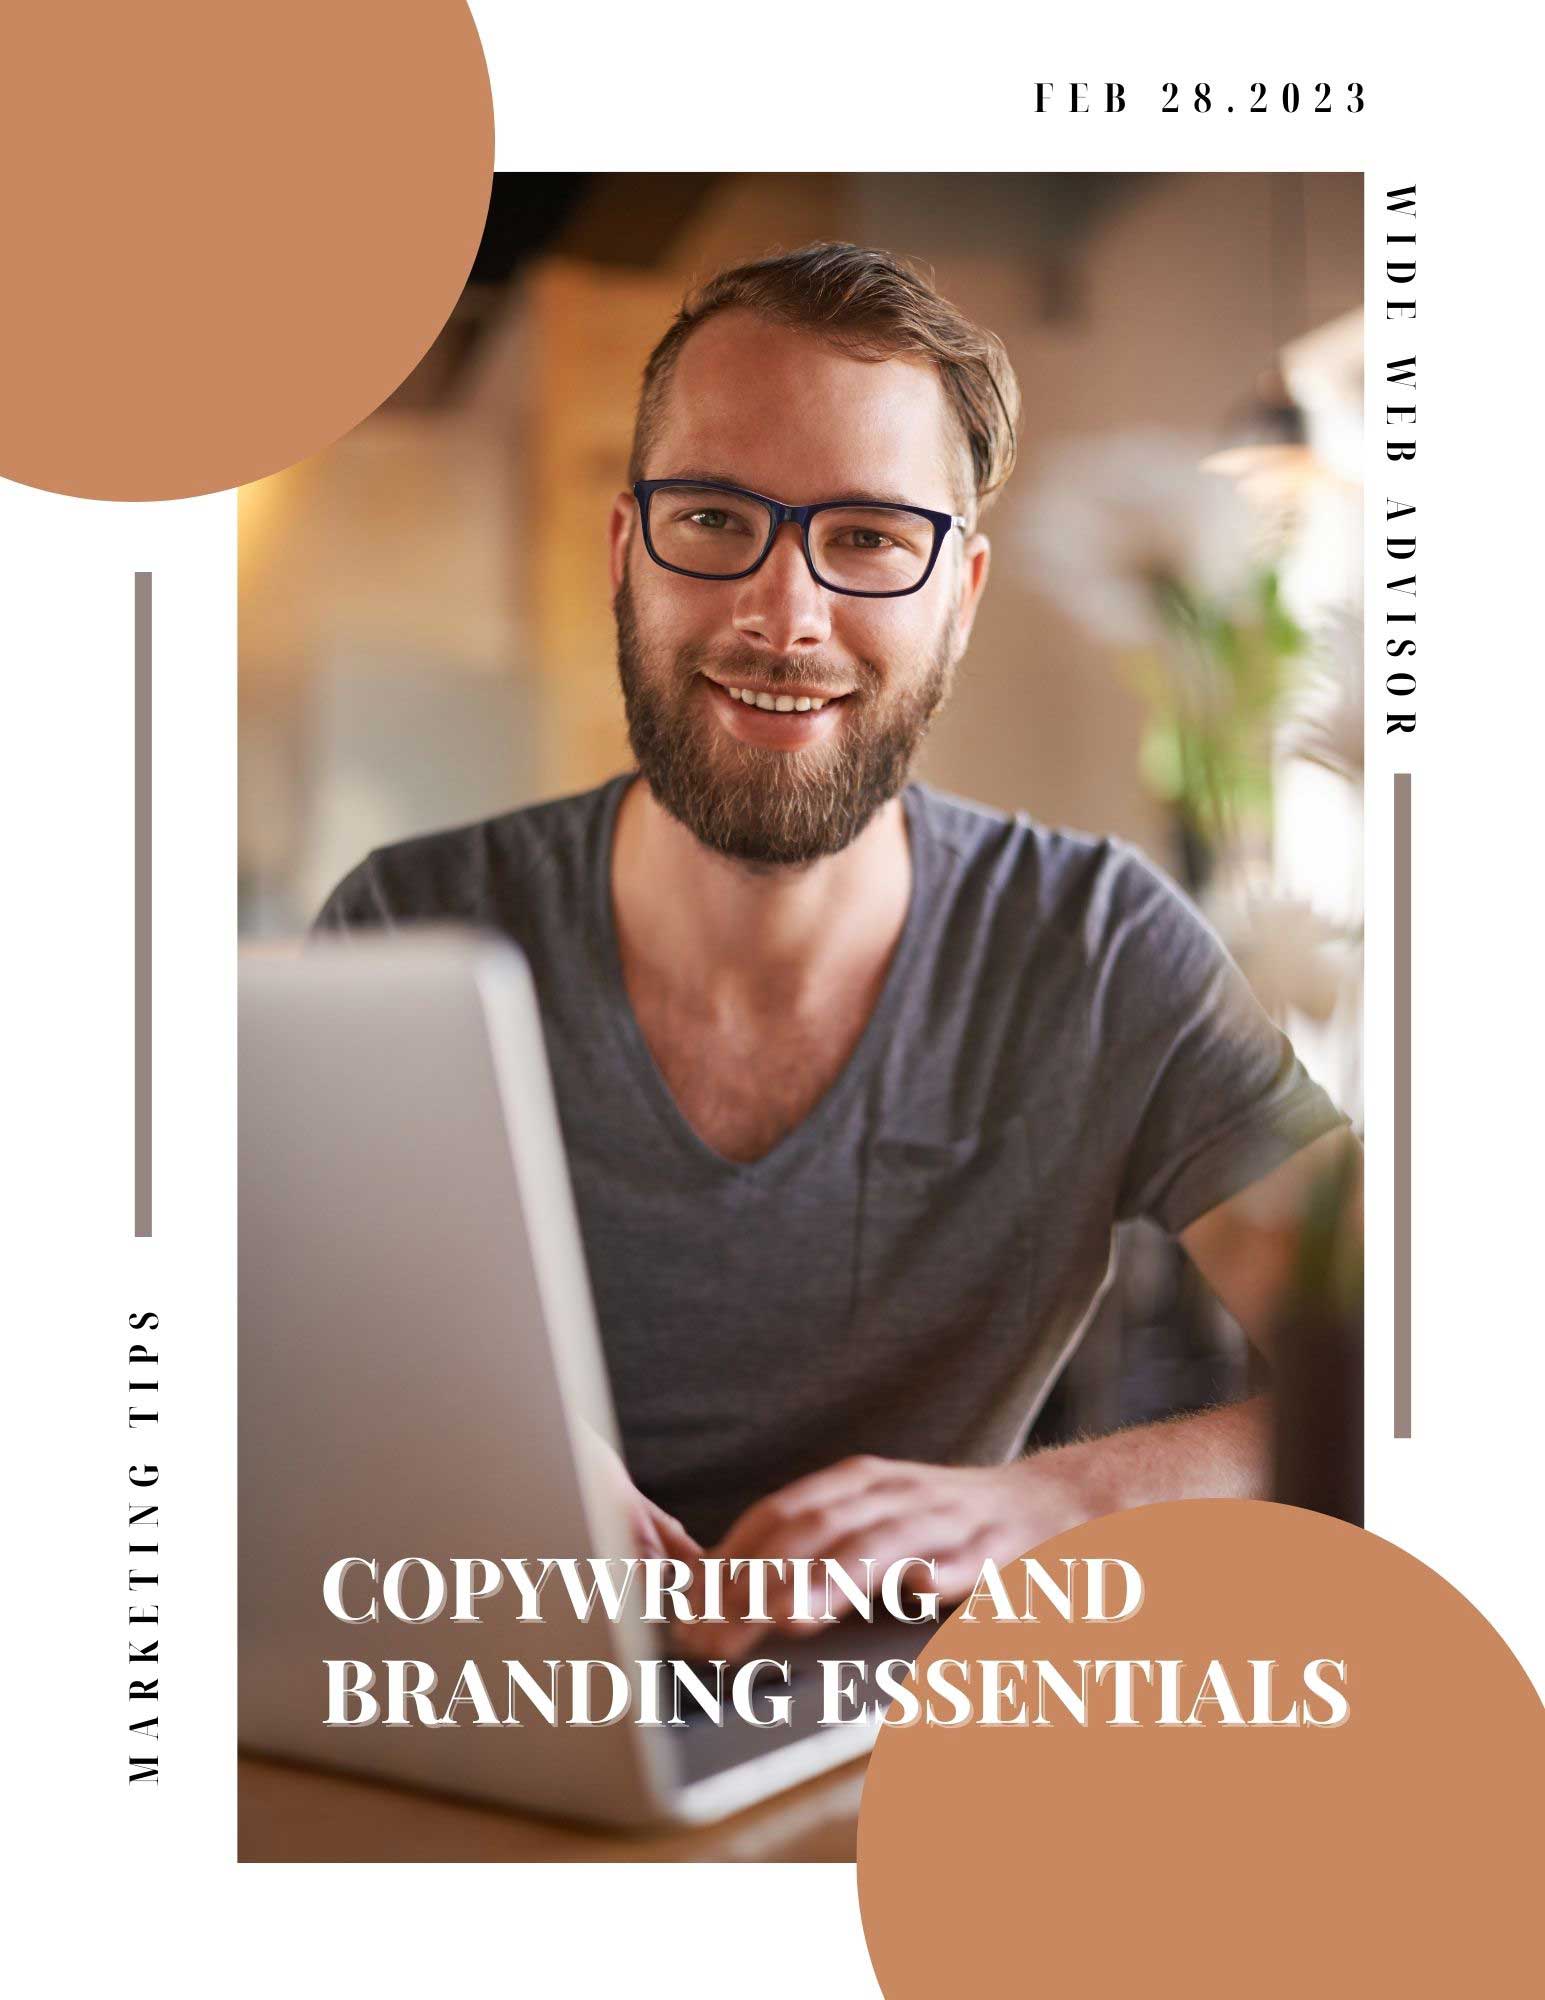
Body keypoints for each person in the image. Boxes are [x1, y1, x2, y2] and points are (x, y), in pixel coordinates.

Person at [314, 241, 1357, 1652]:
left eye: (866, 536)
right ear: (628, 550)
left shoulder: (1100, 951)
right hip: (478, 1711)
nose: (782, 613)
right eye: (713, 518)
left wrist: (1047, 1509)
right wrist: (457, 1450)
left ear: (959, 594)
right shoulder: (401, 931)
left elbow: (1406, 1379)